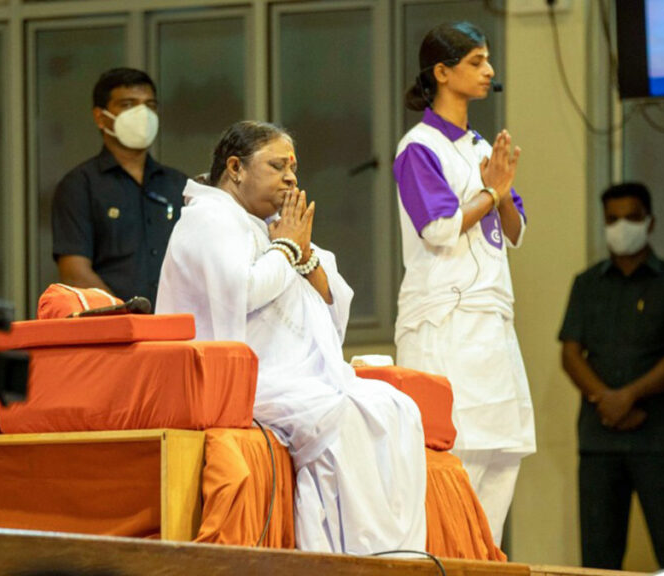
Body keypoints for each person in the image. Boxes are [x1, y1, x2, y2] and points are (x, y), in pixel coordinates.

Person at [156, 121, 427, 554]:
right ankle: (337, 556)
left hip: (290, 371)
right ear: (235, 168)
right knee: (338, 418)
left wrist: (299, 253)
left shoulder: (266, 225)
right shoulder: (209, 218)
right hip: (242, 379)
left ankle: (398, 556)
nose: (291, 178)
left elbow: (331, 299)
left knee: (398, 410)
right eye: (277, 165)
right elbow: (242, 292)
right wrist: (286, 250)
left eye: (294, 168)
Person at [391, 21, 535, 546]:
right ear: (442, 72)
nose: (490, 72)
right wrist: (492, 192)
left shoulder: (480, 146)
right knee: (455, 465)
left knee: (503, 456)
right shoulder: (418, 148)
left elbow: (515, 230)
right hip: (445, 322)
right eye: (477, 61)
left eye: (488, 60)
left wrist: (503, 189)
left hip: (493, 321)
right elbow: (439, 228)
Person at [559, 182, 664, 569]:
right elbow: (570, 354)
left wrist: (629, 396)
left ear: (650, 222)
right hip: (599, 439)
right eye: (612, 219)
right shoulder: (586, 284)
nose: (622, 226)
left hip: (659, 438)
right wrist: (607, 398)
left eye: (631, 217)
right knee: (598, 560)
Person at [52, 67, 186, 305]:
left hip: (181, 326)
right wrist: (127, 316)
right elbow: (74, 272)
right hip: (114, 331)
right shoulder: (80, 185)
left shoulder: (179, 185)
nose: (142, 114)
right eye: (128, 104)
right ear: (100, 117)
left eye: (150, 105)